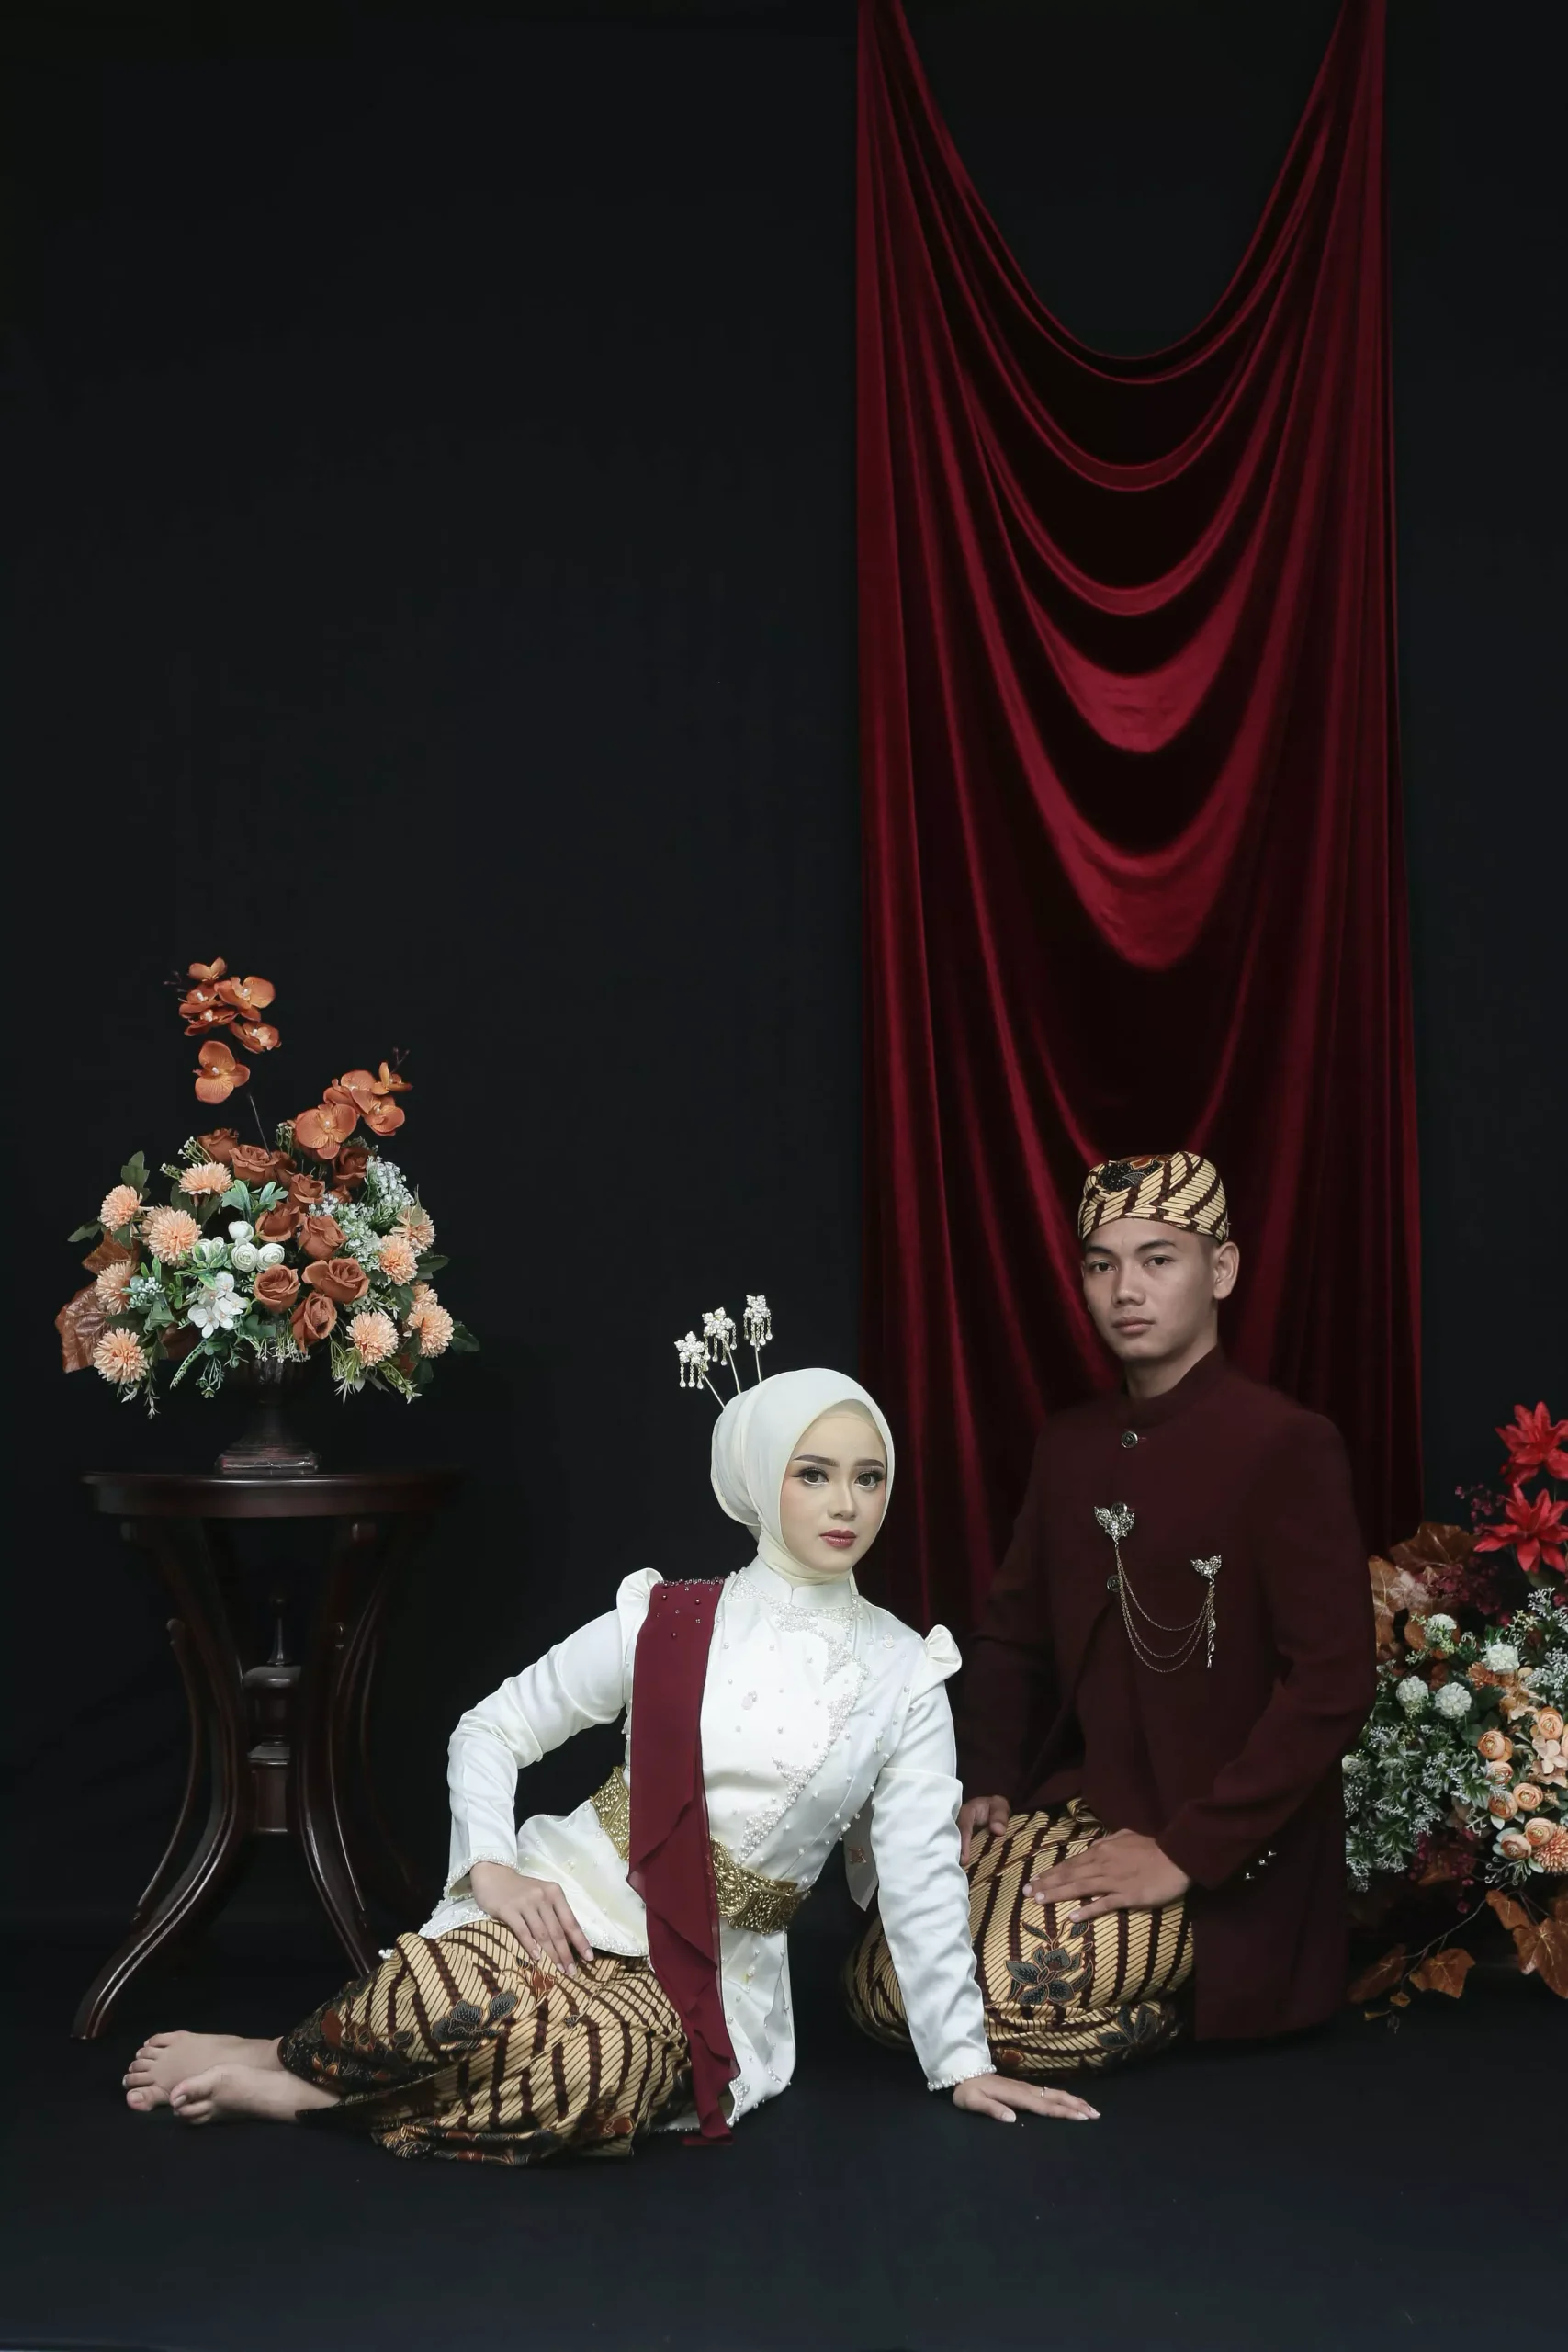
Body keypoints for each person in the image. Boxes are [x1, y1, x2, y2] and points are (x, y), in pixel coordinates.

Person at [124, 1363, 1098, 2153]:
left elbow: (921, 1877)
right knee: (446, 1995)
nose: (846, 1502)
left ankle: (304, 2095)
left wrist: (962, 2062)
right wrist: (492, 1867)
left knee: (597, 2078)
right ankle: (284, 2051)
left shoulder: (906, 1670)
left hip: (708, 1972)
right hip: (568, 1898)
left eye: (868, 1476)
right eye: (813, 1473)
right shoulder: (665, 1618)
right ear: (761, 1476)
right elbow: (489, 1729)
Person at [846, 1151, 1377, 2075]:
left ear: (1221, 1270)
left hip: (1218, 1849)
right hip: (1078, 1808)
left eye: (1157, 1259)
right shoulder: (1071, 1445)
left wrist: (1186, 1851)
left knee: (999, 1994)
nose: (1125, 1289)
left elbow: (1333, 1684)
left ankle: (1176, 2001)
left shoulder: (1287, 1445)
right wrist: (987, 1781)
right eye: (1101, 1264)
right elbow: (1013, 1637)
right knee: (887, 1986)